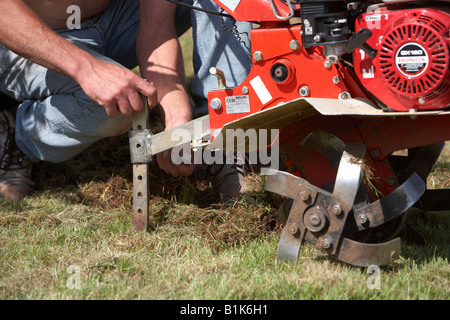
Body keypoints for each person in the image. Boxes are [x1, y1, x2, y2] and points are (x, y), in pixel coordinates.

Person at [0, 0, 252, 200]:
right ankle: (17, 131)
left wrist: (177, 121)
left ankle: (224, 135)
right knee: (121, 105)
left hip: (115, 20)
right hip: (25, 35)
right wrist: (86, 68)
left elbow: (157, 27)